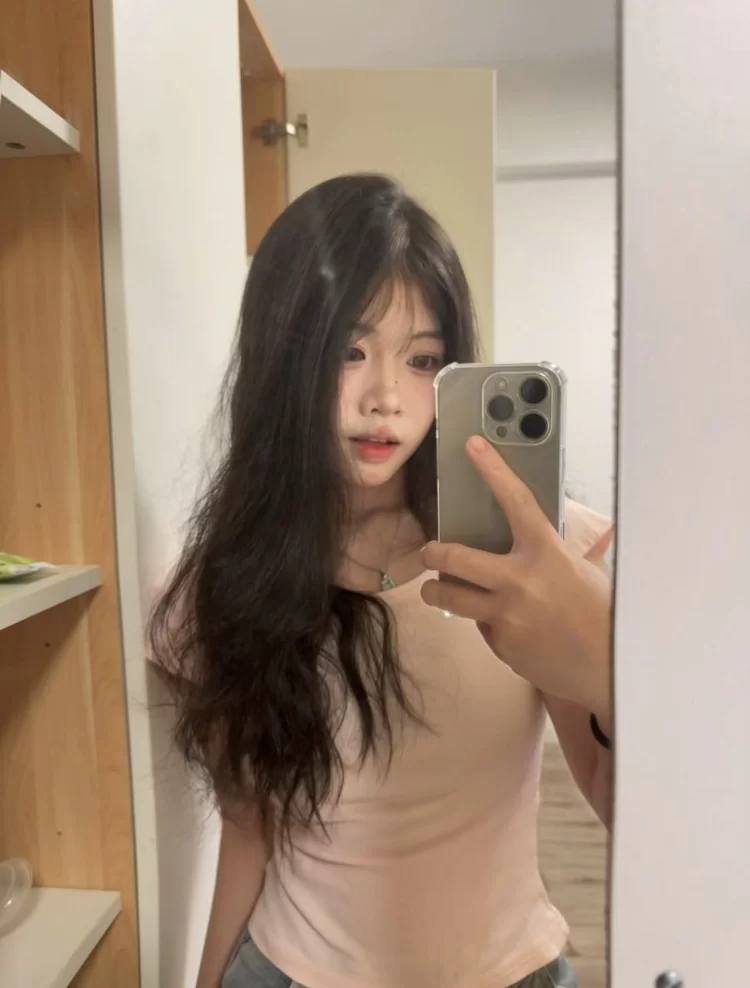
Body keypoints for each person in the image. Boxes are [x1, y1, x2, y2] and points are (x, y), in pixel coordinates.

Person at [150, 174, 613, 988]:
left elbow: (619, 803)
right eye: (347, 352)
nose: (386, 399)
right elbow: (248, 830)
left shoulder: (540, 557)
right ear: (283, 359)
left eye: (423, 359)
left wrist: (613, 663)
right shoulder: (224, 585)